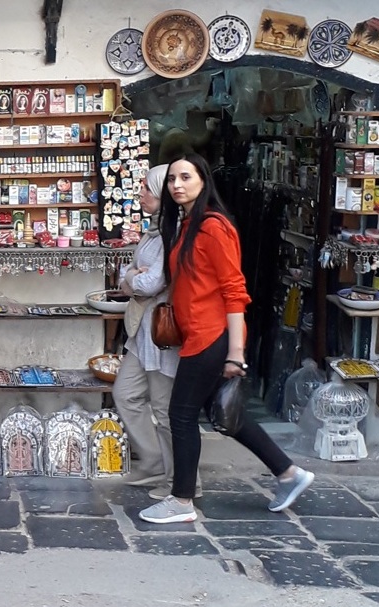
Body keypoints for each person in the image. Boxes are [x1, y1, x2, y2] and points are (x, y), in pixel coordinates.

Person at [138, 154, 314, 525]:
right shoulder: (186, 225)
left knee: (181, 415)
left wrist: (236, 353)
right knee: (227, 414)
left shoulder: (214, 226)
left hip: (211, 337)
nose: (177, 185)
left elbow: (235, 291)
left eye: (186, 177)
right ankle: (288, 473)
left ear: (204, 181)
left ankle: (182, 500)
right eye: (171, 179)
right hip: (197, 335)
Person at [112, 164, 195, 498]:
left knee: (164, 409)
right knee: (125, 394)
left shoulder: (170, 233)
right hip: (141, 332)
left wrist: (132, 278)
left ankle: (182, 481)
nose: (141, 194)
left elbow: (150, 281)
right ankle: (154, 463)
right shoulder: (153, 231)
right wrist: (133, 276)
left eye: (146, 188)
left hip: (162, 333)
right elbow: (128, 273)